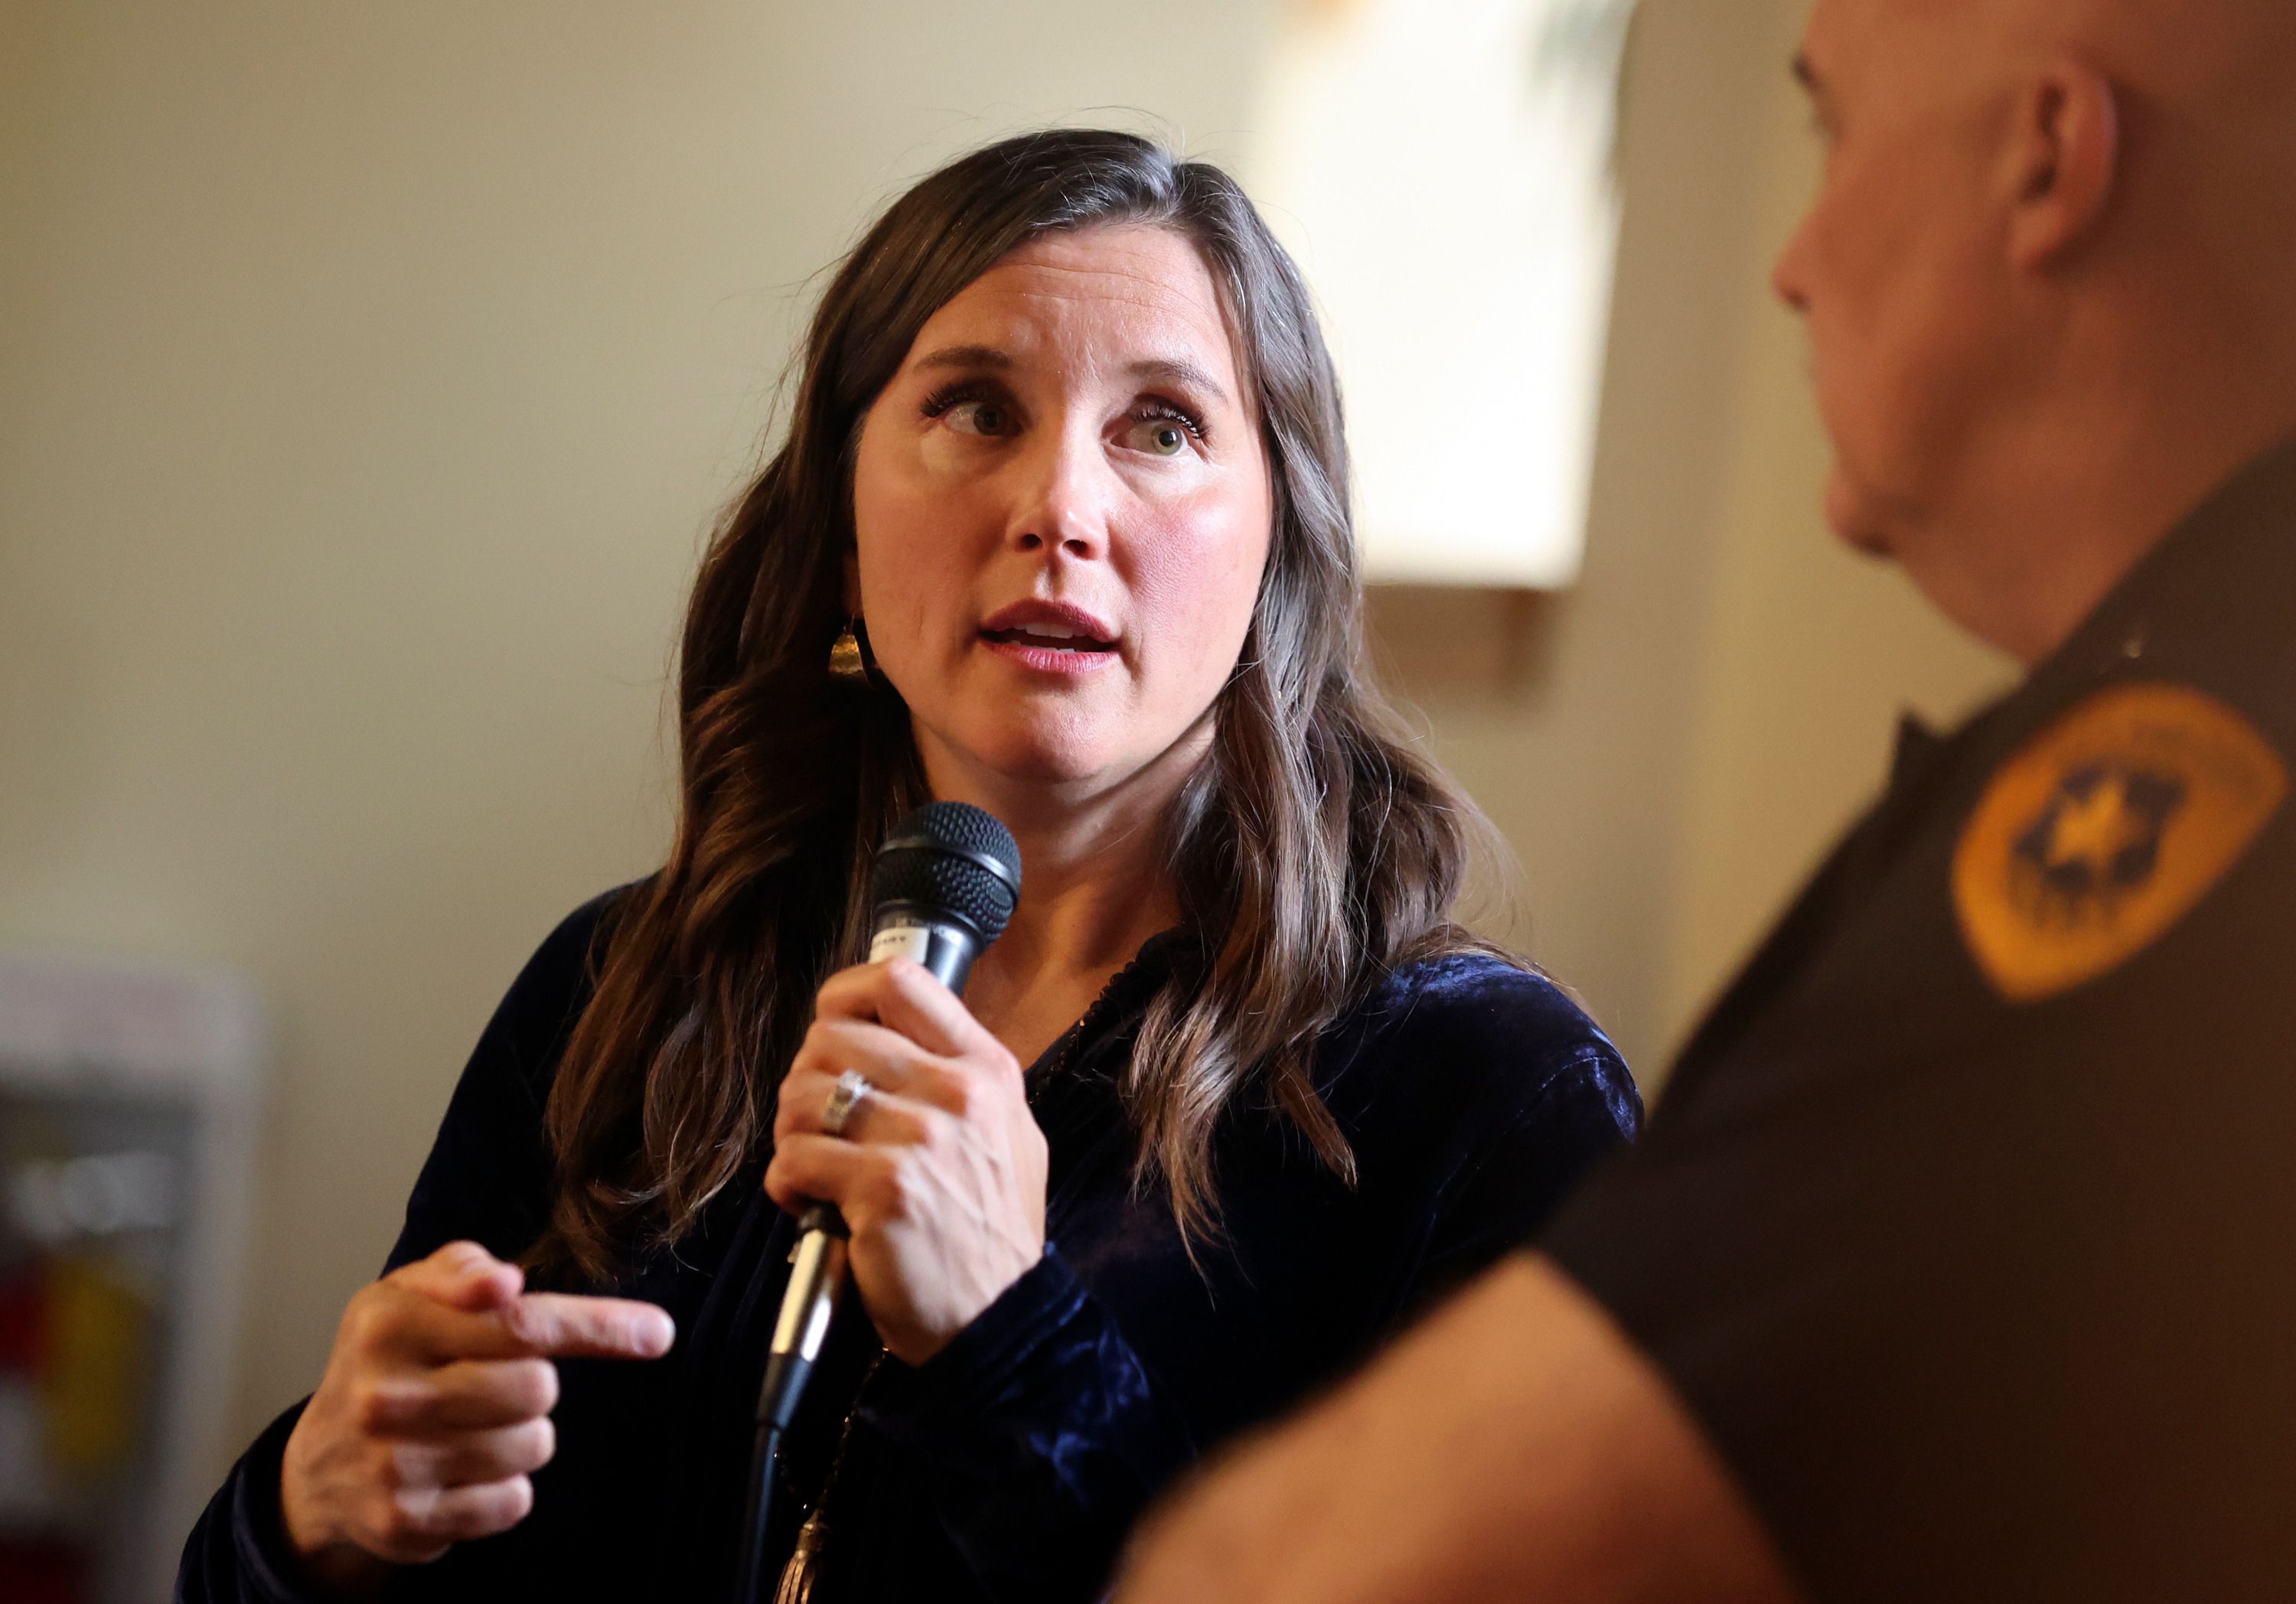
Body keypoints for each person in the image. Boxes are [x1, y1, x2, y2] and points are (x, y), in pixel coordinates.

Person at [176, 129, 1641, 1604]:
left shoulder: (1492, 1101)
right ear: (838, 523)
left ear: (1282, 544)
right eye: (976, 408)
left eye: (1165, 428)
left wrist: (1012, 1347)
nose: (1060, 510)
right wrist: (309, 1526)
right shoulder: (616, 996)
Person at [1111, 1, 2296, 1600]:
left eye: (1834, 132)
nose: (1790, 261)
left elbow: (1319, 1572)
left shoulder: (2175, 795)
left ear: (2047, 159)